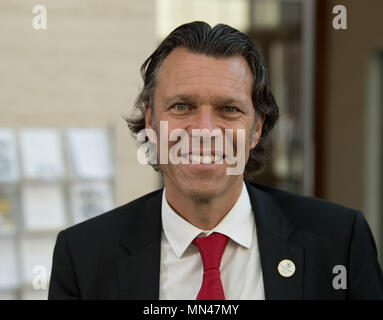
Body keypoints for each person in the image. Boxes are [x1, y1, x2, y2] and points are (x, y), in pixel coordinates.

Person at [48, 21, 383, 300]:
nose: (205, 131)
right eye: (181, 106)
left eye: (229, 109)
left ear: (256, 129)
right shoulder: (84, 257)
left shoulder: (339, 243)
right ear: (150, 122)